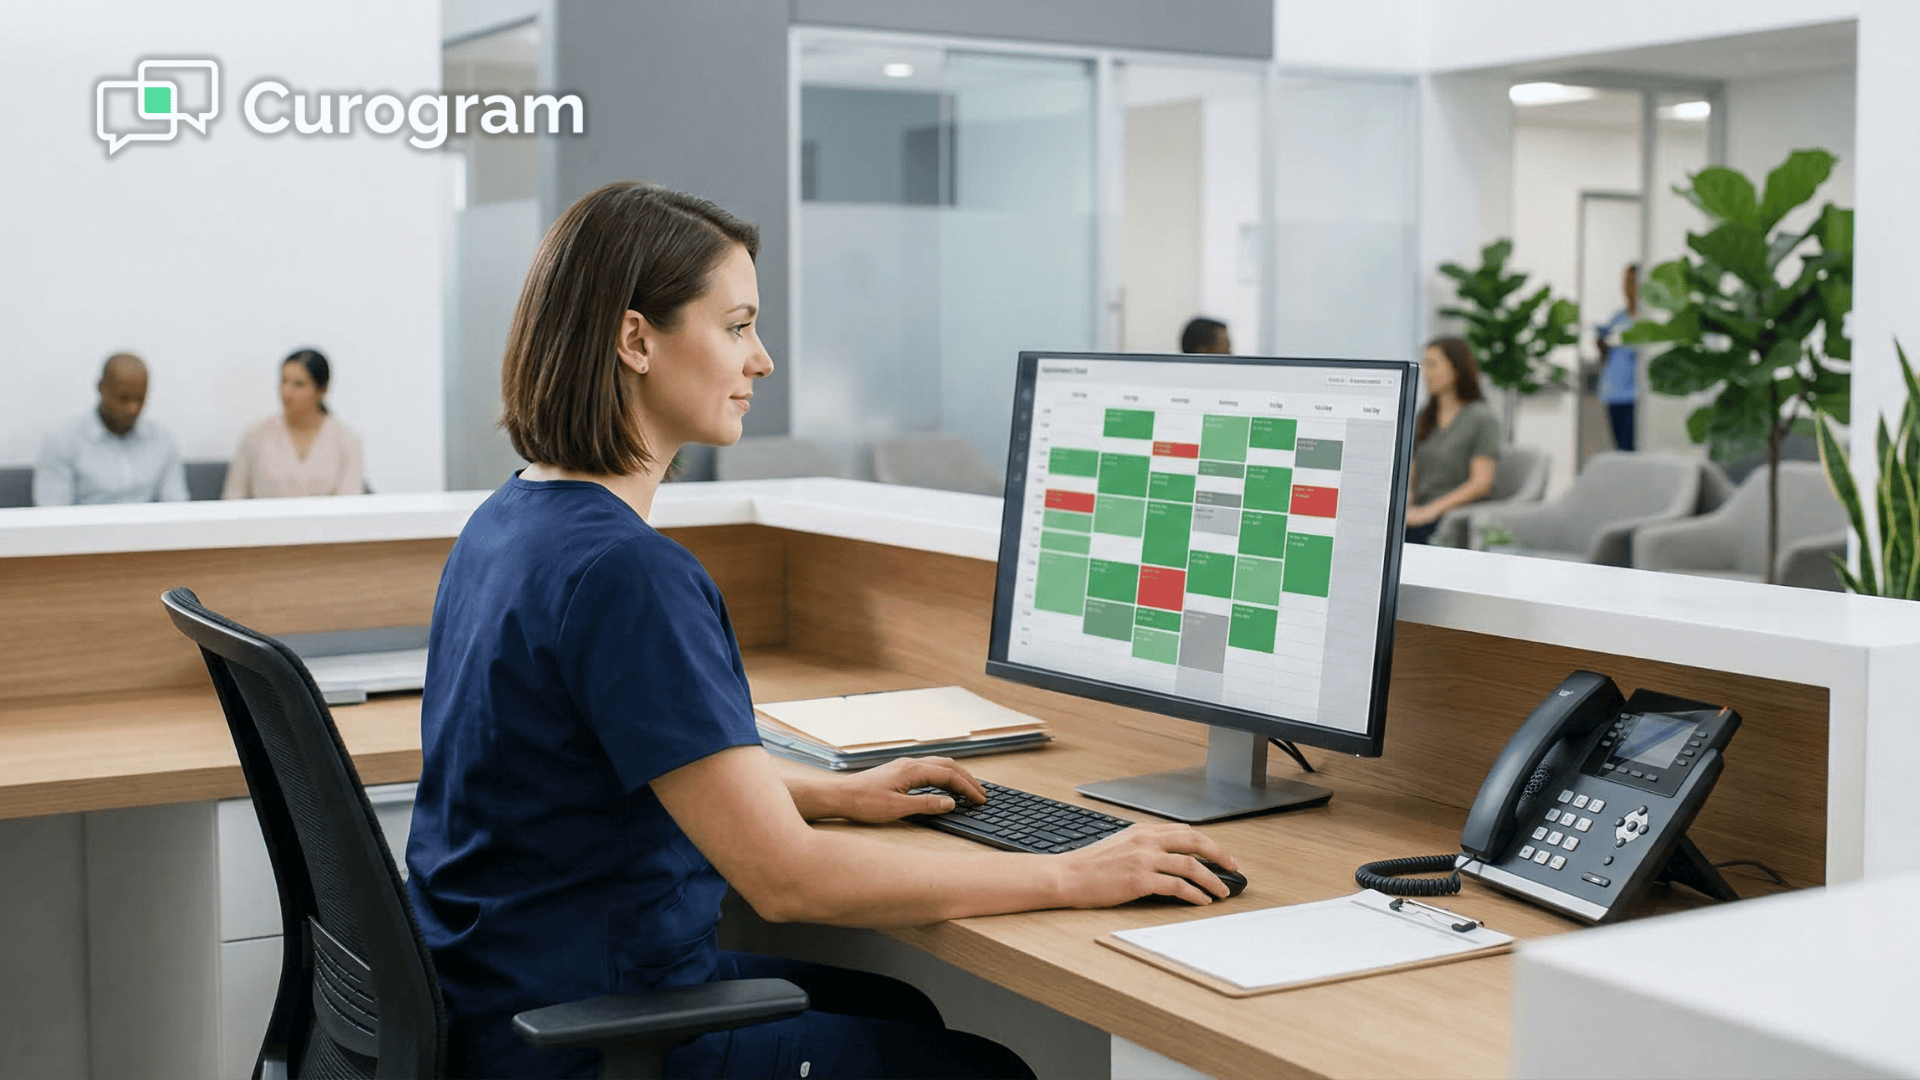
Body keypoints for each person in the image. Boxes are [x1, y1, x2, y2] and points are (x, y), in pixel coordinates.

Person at [405, 181, 1239, 1080]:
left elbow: (611, 772)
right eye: (737, 327)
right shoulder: (628, 573)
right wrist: (1074, 873)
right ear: (636, 340)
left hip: (506, 994)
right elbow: (787, 879)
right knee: (983, 1071)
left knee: (899, 1010)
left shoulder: (511, 522)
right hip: (580, 1030)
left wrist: (832, 794)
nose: (762, 360)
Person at [33, 352, 188, 506]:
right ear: (102, 388)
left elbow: (177, 506)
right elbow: (53, 511)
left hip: (148, 523)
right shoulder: (63, 440)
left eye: (140, 399)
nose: (133, 409)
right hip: (89, 522)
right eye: (124, 398)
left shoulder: (162, 440)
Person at [222, 348, 365, 498]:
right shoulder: (255, 436)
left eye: (299, 384)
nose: (286, 392)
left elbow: (349, 503)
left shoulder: (347, 441)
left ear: (322, 390)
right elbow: (233, 498)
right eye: (284, 381)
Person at [1404, 337, 1499, 545]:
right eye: (1425, 365)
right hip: (1418, 513)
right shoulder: (1424, 417)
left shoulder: (1480, 418)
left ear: (1456, 368)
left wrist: (1431, 511)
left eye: (1433, 365)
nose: (1426, 373)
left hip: (1450, 517)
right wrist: (1405, 506)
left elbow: (1481, 483)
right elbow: (1411, 471)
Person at [1595, 263, 1640, 451]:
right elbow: (1605, 356)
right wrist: (1601, 342)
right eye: (1626, 282)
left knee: (1631, 449)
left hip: (1635, 395)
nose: (1628, 288)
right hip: (1613, 392)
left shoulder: (1646, 320)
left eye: (1633, 282)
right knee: (1621, 449)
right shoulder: (1617, 318)